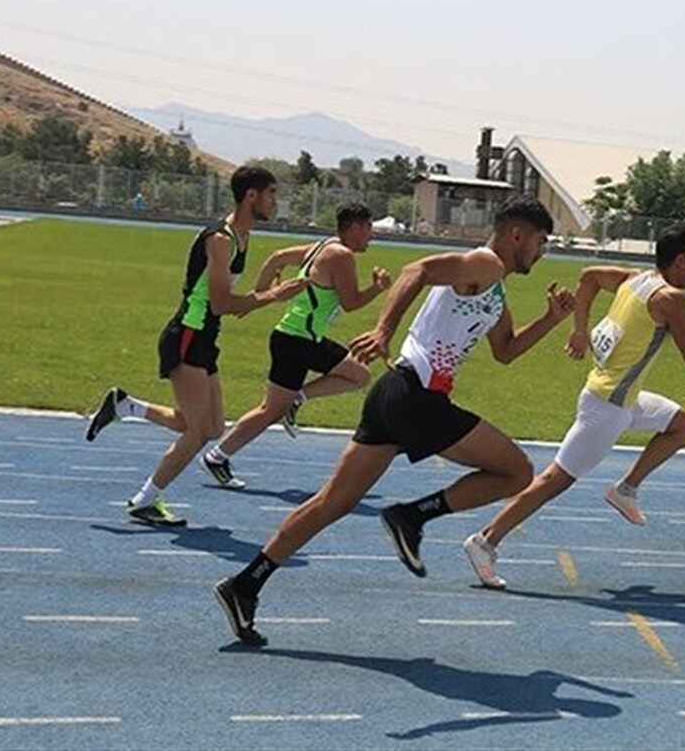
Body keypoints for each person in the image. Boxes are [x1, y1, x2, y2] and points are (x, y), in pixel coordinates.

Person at [213, 198, 575, 646]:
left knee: (332, 502)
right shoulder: (483, 262)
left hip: (393, 394)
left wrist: (552, 320)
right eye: (541, 242)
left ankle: (245, 584)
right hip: (417, 396)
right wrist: (384, 329)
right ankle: (411, 516)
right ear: (517, 235)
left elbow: (505, 351)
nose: (542, 253)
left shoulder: (494, 289)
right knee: (517, 471)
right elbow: (415, 271)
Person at [461, 224, 685, 590]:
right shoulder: (669, 299)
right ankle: (485, 541)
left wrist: (580, 329)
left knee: (684, 425)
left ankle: (626, 488)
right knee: (555, 479)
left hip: (623, 399)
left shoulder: (636, 279)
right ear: (679, 261)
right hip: (608, 406)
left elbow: (588, 278)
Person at [84, 166, 305, 528]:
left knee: (212, 426)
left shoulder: (240, 237)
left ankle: (125, 405)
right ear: (251, 196)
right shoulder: (221, 239)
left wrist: (263, 298)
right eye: (271, 193)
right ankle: (145, 500)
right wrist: (274, 295)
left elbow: (226, 306)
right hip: (188, 335)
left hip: (204, 337)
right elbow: (220, 303)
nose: (274, 201)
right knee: (198, 431)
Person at [199, 203, 392, 487]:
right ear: (353, 227)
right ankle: (216, 456)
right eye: (368, 229)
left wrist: (259, 295)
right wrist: (377, 288)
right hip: (295, 340)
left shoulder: (321, 246)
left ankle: (297, 399)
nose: (371, 236)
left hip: (307, 338)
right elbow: (351, 304)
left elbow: (276, 258)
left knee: (359, 374)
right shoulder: (340, 255)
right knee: (270, 410)